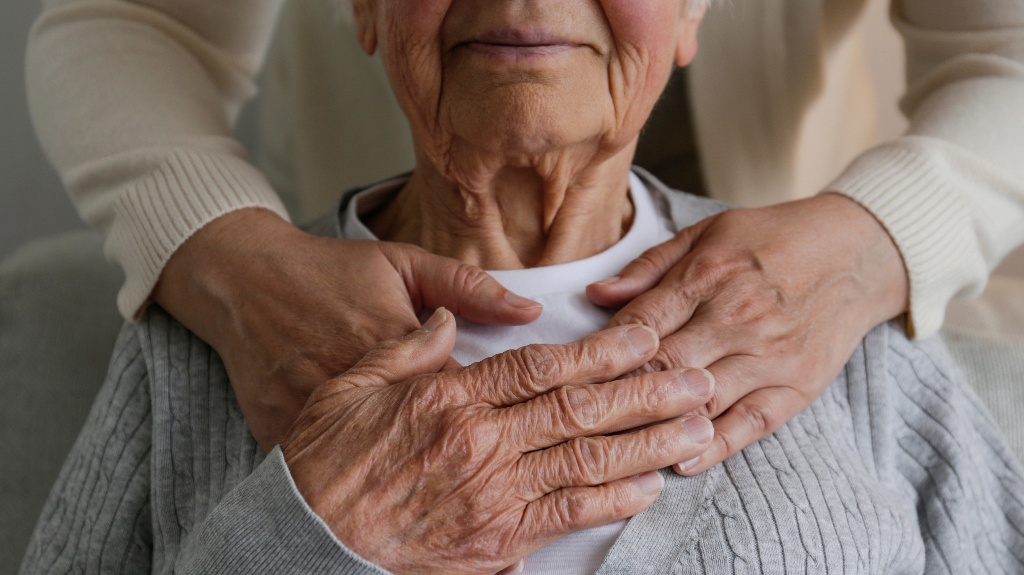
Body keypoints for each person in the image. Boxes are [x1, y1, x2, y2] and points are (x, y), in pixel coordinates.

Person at [21, 0, 1024, 573]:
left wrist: (871, 241)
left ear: (690, 13)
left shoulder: (833, 334)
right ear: (360, 8)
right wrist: (300, 535)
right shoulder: (218, 333)